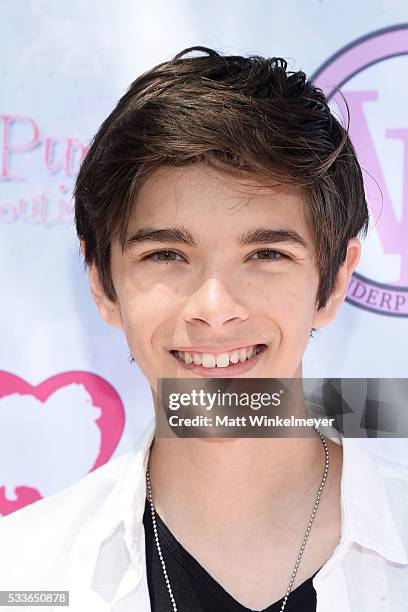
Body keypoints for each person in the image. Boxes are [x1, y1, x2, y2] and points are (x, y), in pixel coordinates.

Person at [1, 46, 407, 612]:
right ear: (101, 282)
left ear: (334, 281)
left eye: (265, 253)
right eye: (166, 255)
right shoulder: (23, 575)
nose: (214, 308)